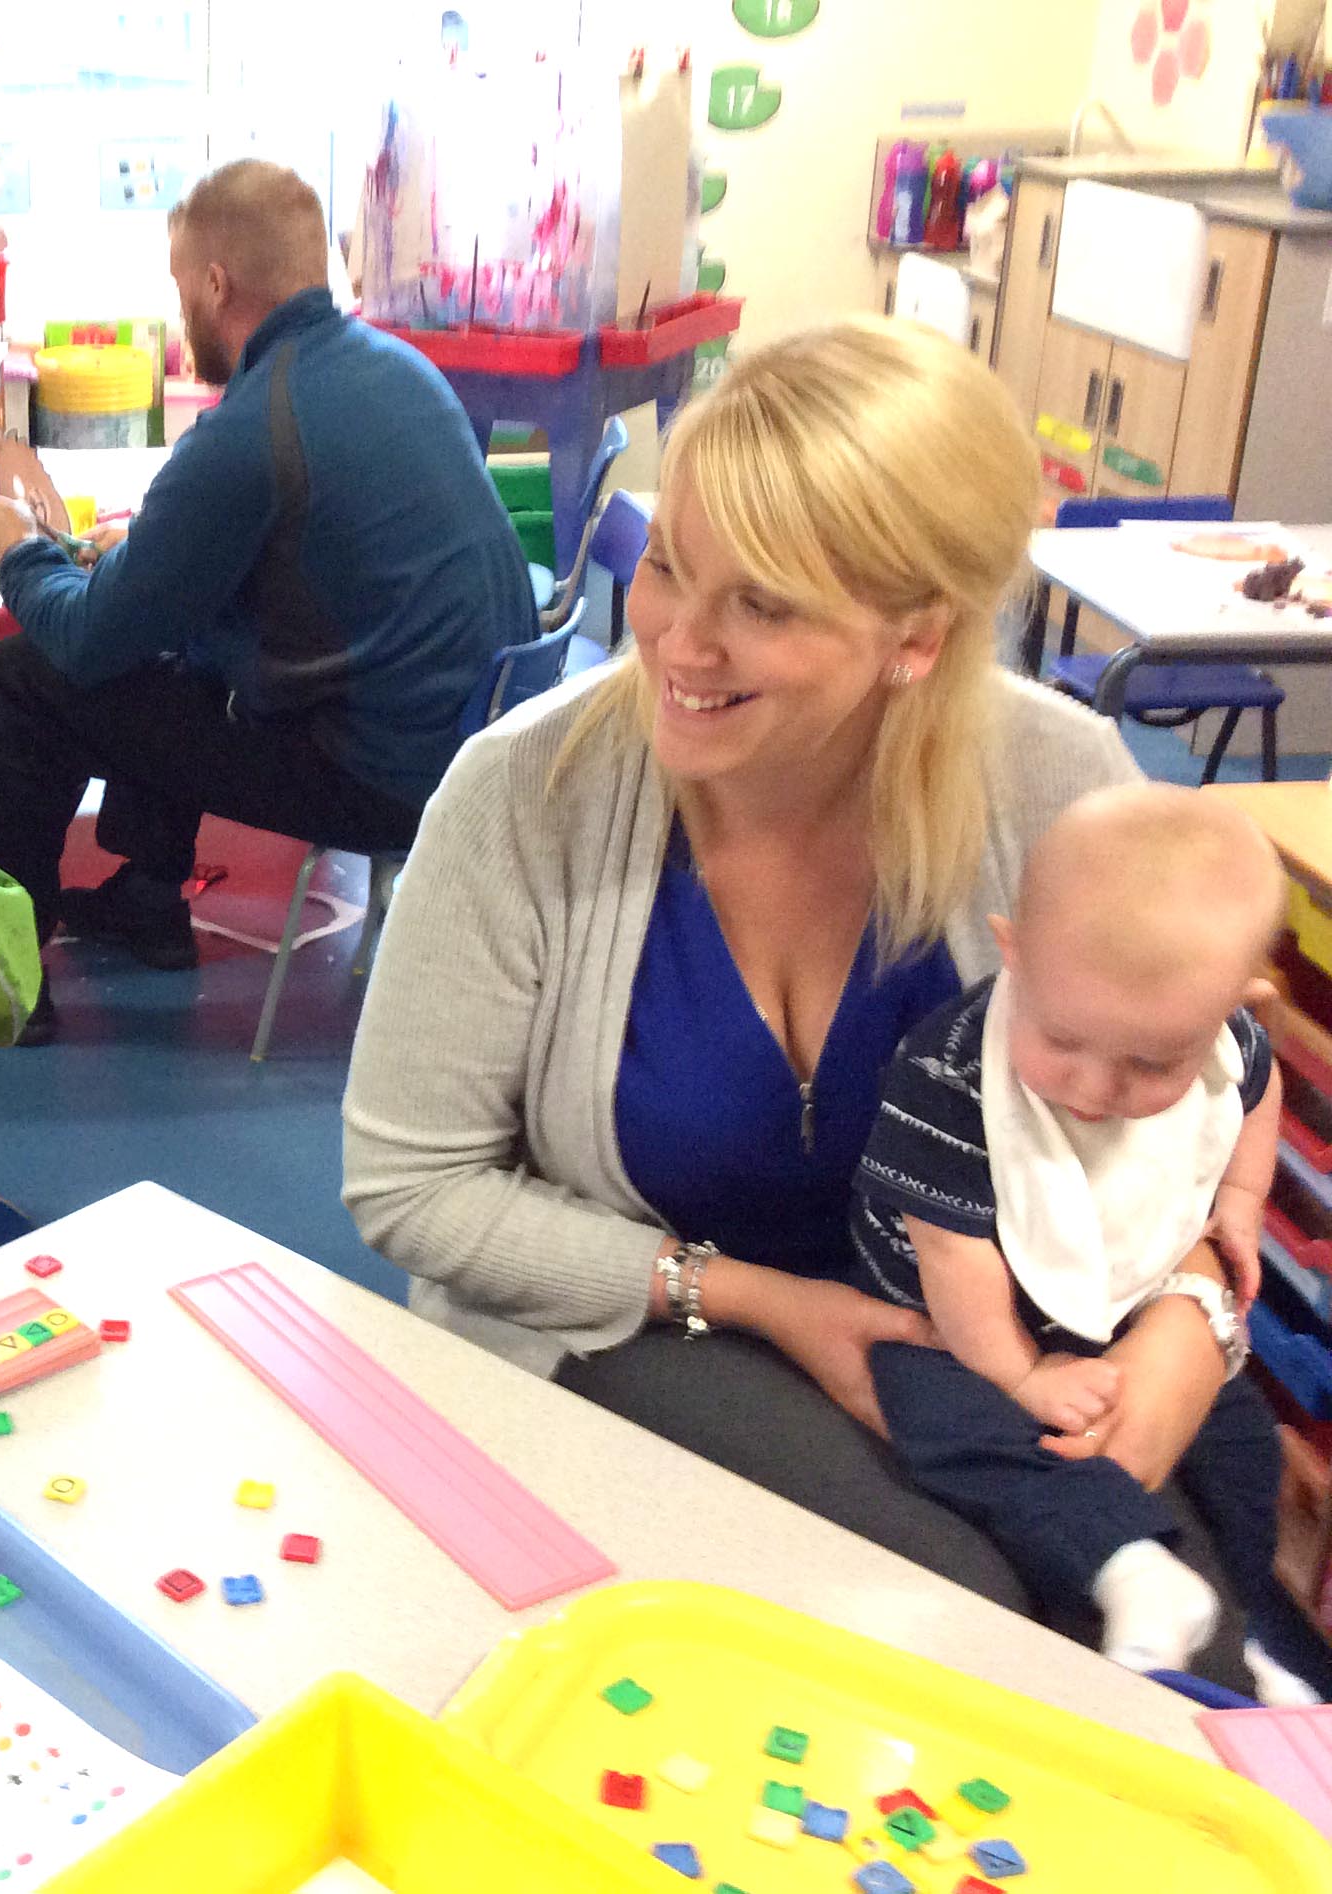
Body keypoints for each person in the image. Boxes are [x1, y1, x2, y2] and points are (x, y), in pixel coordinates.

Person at [337, 317, 1282, 1669]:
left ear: (915, 641)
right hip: (653, 1316)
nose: (679, 640)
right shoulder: (528, 798)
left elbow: (1185, 1076)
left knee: (1179, 1632)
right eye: (671, 565)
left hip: (996, 1325)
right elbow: (410, 1187)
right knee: (966, 1624)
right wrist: (762, 1299)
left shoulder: (1050, 787)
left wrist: (1197, 1307)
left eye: (763, 605)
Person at [0, 159, 534, 1044]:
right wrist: (154, 563)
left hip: (382, 780)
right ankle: (148, 898)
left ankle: (9, 976)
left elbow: (85, 639)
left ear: (216, 283)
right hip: (472, 744)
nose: (184, 312)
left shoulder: (250, 427)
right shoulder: (399, 368)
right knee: (175, 633)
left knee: (27, 677)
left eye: (182, 286)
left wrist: (20, 552)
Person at [854, 784, 1332, 1701]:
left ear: (1229, 1006)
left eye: (1152, 1063)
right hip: (949, 1318)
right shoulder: (951, 1078)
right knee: (939, 1416)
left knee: (1242, 1445)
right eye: (1064, 1039)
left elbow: (1254, 1085)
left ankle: (1240, 1622)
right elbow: (957, 1266)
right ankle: (1129, 1567)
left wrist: (1240, 1197)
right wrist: (1024, 1377)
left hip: (1121, 1293)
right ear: (1014, 954)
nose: (1095, 1087)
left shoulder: (1220, 1033)